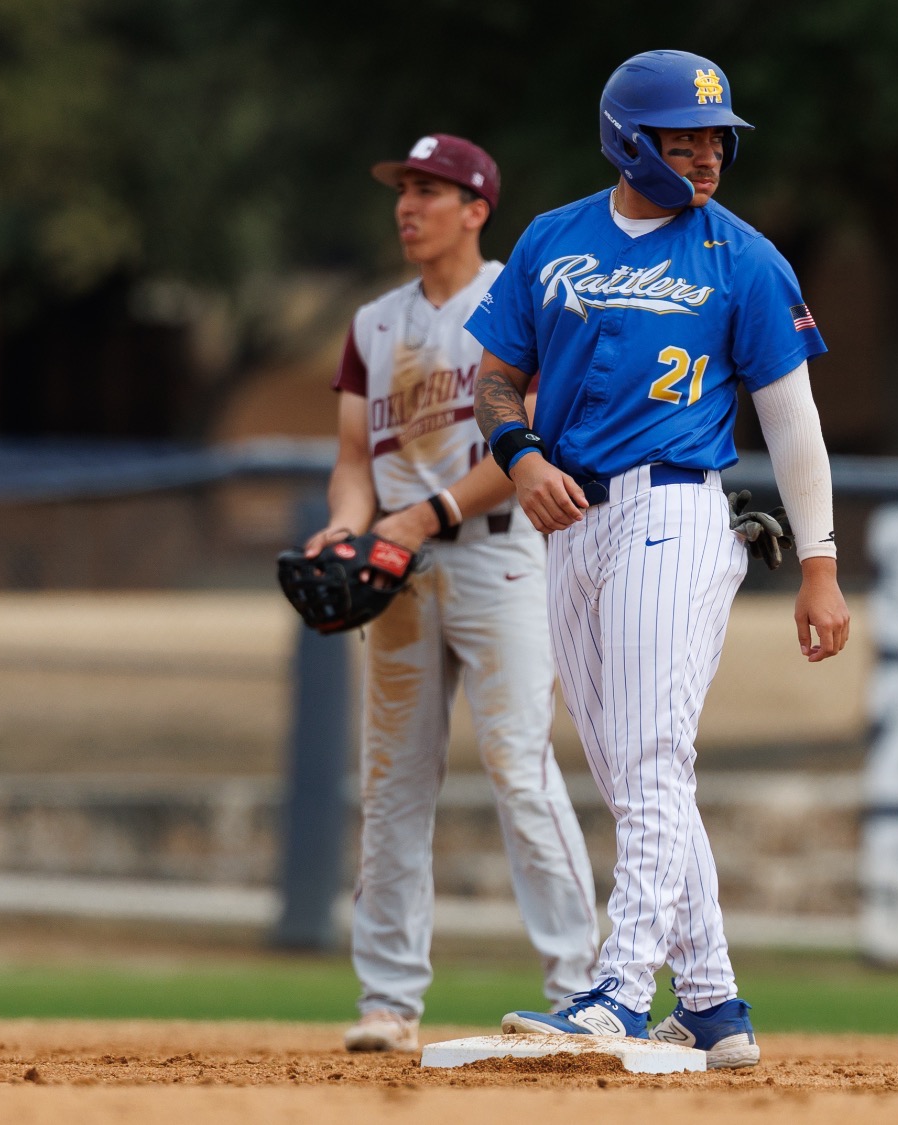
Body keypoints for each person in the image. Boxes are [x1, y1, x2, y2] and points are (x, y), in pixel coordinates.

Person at [465, 51, 849, 1070]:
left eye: (717, 137)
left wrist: (818, 562)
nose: (708, 154)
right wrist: (520, 456)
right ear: (628, 140)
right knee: (633, 773)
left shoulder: (744, 258)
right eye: (685, 138)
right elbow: (495, 377)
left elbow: (793, 424)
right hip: (568, 519)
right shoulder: (553, 239)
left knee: (649, 760)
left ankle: (619, 991)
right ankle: (714, 1005)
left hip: (674, 509)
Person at [308, 133, 599, 1054]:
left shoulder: (521, 297)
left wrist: (424, 514)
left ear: (477, 209)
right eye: (404, 189)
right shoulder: (372, 323)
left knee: (518, 765)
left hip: (499, 556)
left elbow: (529, 441)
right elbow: (354, 460)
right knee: (392, 782)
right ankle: (387, 999)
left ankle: (581, 987)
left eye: (430, 191)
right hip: (400, 566)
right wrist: (346, 527)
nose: (408, 205)